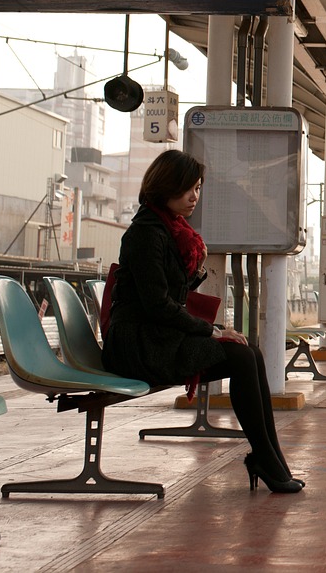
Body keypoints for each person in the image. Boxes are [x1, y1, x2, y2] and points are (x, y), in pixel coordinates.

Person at [101, 149, 303, 493]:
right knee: (241, 357)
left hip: (156, 335)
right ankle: (267, 460)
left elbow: (167, 294)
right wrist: (211, 329)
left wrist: (195, 271)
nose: (195, 196)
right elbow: (157, 305)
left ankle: (271, 458)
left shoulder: (168, 229)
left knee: (250, 353)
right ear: (165, 188)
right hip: (140, 344)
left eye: (198, 188)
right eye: (187, 189)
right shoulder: (146, 233)